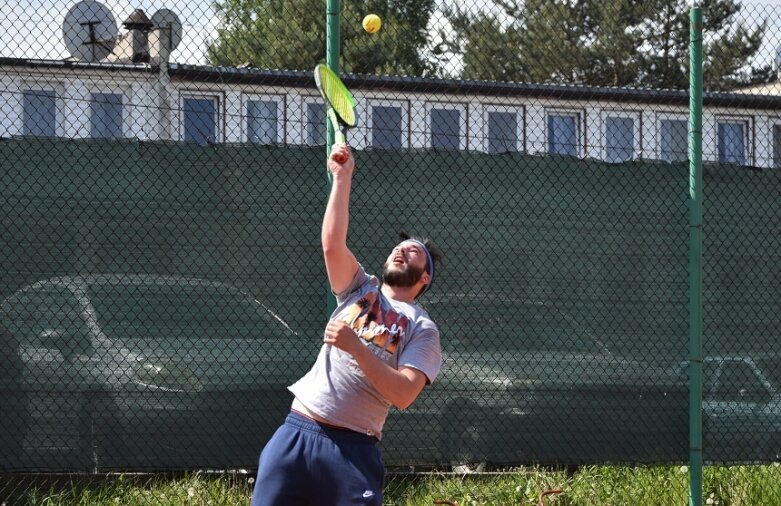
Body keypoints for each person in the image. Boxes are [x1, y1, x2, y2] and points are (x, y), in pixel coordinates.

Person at [250, 143, 444, 506]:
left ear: (424, 279)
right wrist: (342, 177)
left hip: (354, 448)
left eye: (413, 251)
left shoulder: (422, 328)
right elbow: (332, 245)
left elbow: (403, 394)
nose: (401, 251)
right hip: (297, 429)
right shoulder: (360, 288)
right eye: (398, 248)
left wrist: (356, 347)